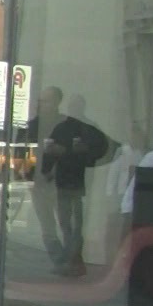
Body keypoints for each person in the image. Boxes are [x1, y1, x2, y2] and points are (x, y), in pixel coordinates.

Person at [20, 86, 111, 277]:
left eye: (45, 101)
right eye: (40, 101)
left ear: (56, 102)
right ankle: (62, 260)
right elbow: (21, 149)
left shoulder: (67, 125)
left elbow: (87, 154)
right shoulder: (34, 125)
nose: (41, 105)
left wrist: (65, 153)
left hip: (63, 183)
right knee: (49, 225)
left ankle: (71, 260)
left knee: (67, 223)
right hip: (41, 183)